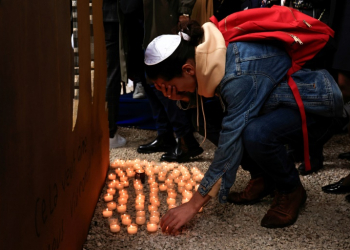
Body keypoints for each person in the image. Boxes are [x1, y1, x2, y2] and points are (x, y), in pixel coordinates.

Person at [144, 13, 344, 232]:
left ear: (188, 69)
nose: (167, 93)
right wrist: (182, 96)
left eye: (167, 86)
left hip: (315, 105)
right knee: (202, 117)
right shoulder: (207, 51)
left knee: (254, 134)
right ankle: (263, 178)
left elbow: (231, 141)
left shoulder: (237, 74)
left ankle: (290, 189)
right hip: (277, 103)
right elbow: (207, 104)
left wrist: (193, 204)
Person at [135, 0, 204, 162]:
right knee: (149, 79)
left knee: (167, 77)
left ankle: (184, 137)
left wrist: (184, 11)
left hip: (162, 13)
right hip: (138, 13)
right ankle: (164, 134)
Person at [103, 0, 126, 149]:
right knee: (111, 71)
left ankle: (100, 128)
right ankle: (109, 132)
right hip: (112, 13)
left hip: (85, 13)